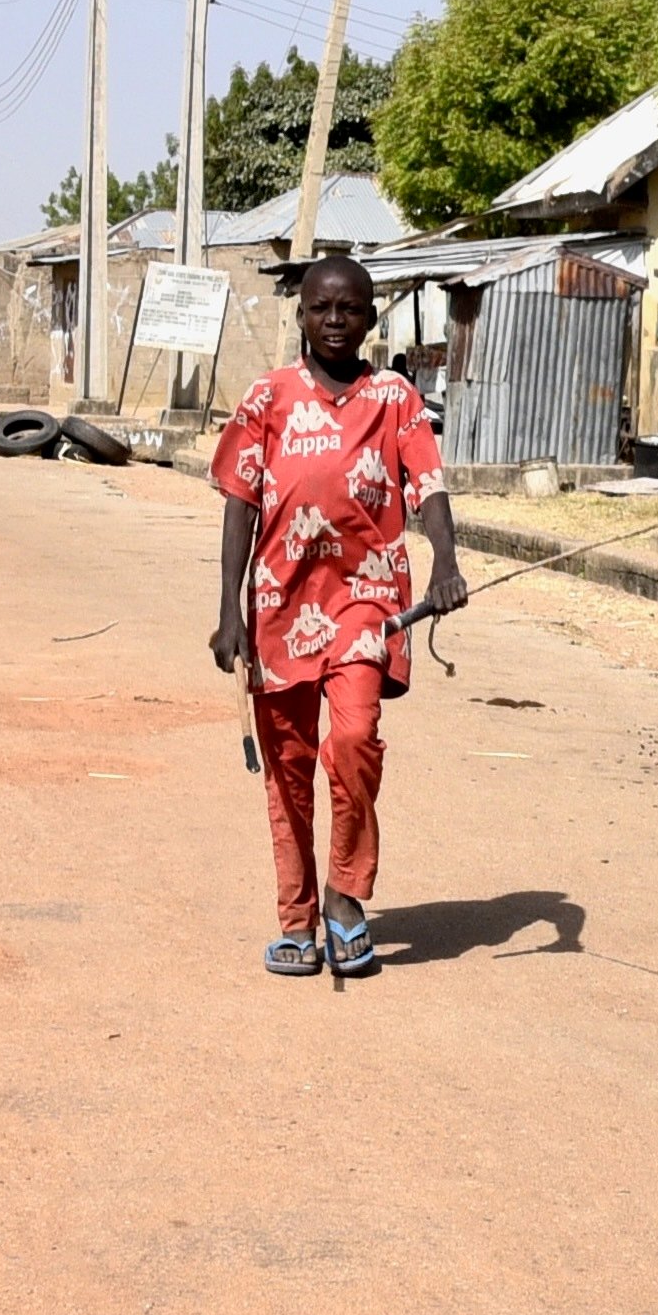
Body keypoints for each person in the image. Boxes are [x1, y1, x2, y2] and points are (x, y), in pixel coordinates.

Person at [208, 253, 465, 978]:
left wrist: (445, 562)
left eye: (348, 309)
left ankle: (348, 897)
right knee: (287, 767)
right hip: (278, 605)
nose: (333, 320)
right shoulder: (268, 398)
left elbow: (430, 487)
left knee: (353, 737)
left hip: (365, 599)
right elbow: (239, 503)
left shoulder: (395, 398)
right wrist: (228, 610)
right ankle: (297, 919)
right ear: (300, 314)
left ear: (369, 318)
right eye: (320, 307)